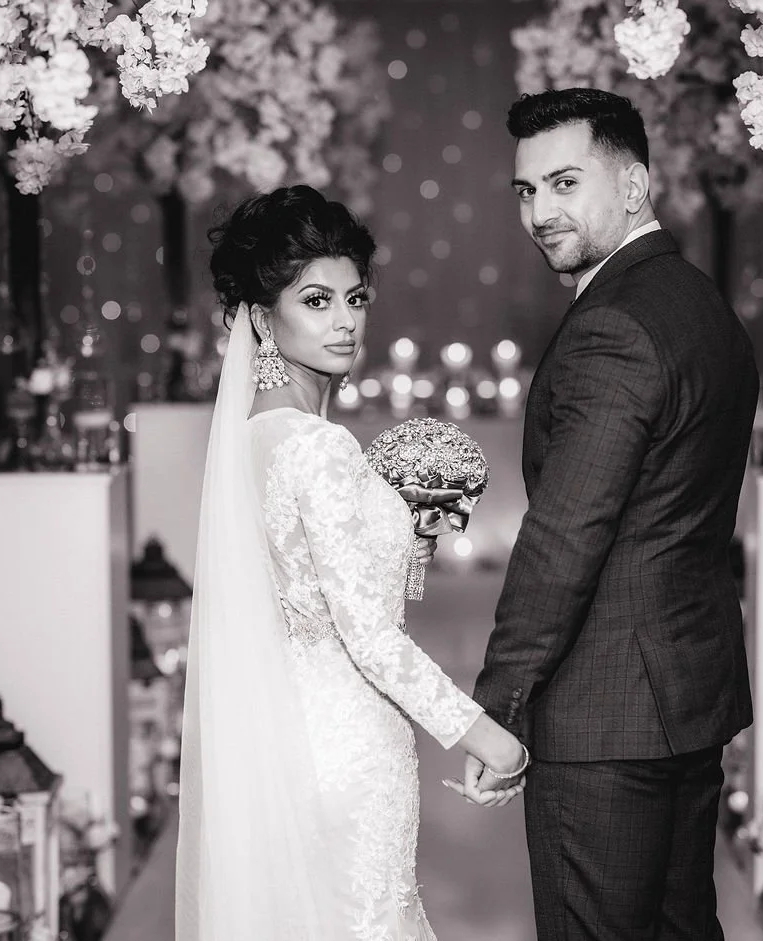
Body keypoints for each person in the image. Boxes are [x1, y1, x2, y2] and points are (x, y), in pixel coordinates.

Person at [174, 185, 528, 941]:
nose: (343, 320)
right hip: (348, 743)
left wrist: (406, 540)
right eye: (316, 300)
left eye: (355, 297)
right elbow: (369, 635)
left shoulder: (250, 440)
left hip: (281, 737)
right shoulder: (318, 445)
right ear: (264, 319)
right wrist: (483, 733)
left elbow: (308, 589)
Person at [466, 89, 760, 940]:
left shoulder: (614, 327)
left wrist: (499, 704)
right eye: (526, 191)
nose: (540, 212)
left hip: (604, 719)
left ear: (633, 183)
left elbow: (565, 535)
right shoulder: (702, 305)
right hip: (686, 696)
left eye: (564, 182)